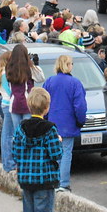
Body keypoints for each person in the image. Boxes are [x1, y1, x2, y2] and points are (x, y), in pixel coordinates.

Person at [12, 87, 62, 212]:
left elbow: (16, 153)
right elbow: (56, 154)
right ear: (46, 107)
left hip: (26, 180)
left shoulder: (21, 128)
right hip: (44, 181)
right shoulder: (50, 129)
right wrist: (59, 141)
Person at [43, 55, 87, 193]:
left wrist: (45, 118)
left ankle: (54, 180)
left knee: (54, 152)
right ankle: (63, 183)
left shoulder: (49, 81)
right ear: (68, 65)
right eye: (71, 63)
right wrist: (81, 120)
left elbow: (44, 101)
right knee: (66, 152)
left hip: (52, 122)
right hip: (68, 123)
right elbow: (80, 105)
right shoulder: (75, 83)